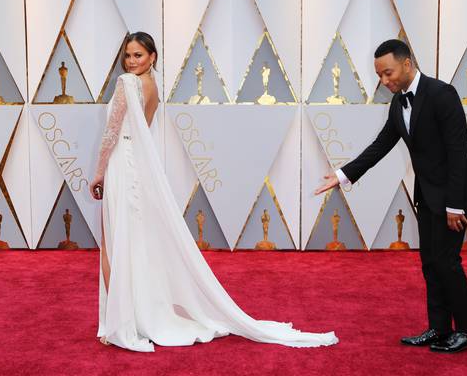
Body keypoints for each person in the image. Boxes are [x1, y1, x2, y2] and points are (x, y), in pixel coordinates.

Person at [90, 32, 337, 352]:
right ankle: (132, 317)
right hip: (133, 165)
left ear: (153, 56)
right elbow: (143, 131)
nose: (131, 61)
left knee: (114, 244)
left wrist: (99, 171)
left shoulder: (127, 83)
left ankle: (119, 323)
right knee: (133, 242)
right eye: (128, 56)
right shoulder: (152, 88)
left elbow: (112, 131)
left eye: (138, 55)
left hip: (121, 166)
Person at [315, 39, 467, 353]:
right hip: (428, 191)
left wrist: (454, 205)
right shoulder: (398, 103)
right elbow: (381, 146)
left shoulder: (441, 94)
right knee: (431, 262)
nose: (384, 81)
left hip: (453, 191)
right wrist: (342, 175)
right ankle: (439, 329)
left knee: (447, 262)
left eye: (388, 73)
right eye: (379, 75)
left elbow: (458, 152)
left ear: (407, 64)